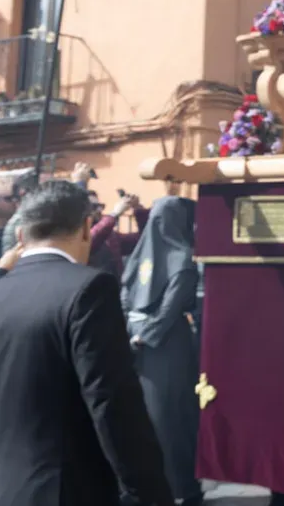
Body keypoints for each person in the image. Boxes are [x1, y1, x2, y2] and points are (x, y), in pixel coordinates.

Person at [0, 180, 174, 506]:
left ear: (21, 236)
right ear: (87, 229)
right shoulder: (88, 290)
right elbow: (112, 403)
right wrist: (150, 495)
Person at [121, 196, 203, 506]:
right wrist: (130, 330)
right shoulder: (142, 255)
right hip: (141, 342)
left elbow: (170, 310)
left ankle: (181, 487)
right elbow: (125, 293)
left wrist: (141, 336)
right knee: (144, 418)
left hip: (166, 348)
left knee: (170, 419)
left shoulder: (182, 259)